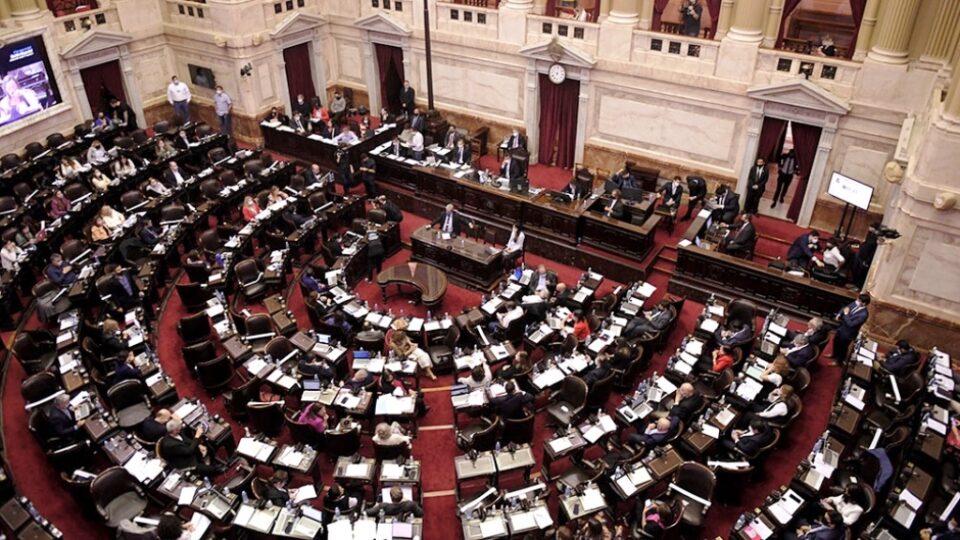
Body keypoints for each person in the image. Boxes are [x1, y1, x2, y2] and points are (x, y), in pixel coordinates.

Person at [830, 293, 870, 363]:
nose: (856, 301)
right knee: (836, 341)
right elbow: (846, 308)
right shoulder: (855, 303)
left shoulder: (863, 314)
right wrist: (839, 314)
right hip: (841, 328)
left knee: (843, 347)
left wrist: (846, 314)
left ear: (864, 303)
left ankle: (839, 361)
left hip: (848, 333)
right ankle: (834, 355)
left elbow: (851, 324)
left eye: (859, 301)